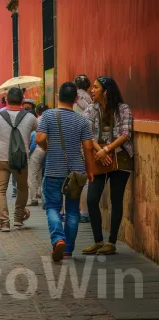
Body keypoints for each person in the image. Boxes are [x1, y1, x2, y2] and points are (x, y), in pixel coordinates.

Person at [36, 82, 95, 262]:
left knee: (53, 207)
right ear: (76, 99)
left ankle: (58, 239)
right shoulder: (82, 120)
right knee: (72, 211)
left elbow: (39, 138)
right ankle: (68, 249)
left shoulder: (47, 115)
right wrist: (90, 171)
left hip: (53, 169)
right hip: (75, 172)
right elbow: (88, 148)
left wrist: (47, 147)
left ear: (57, 97)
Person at [82, 76, 134, 256]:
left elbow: (126, 133)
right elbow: (87, 133)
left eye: (96, 87)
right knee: (91, 199)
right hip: (99, 157)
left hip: (120, 156)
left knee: (116, 199)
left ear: (106, 91)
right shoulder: (90, 109)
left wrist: (108, 149)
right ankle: (98, 241)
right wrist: (100, 152)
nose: (92, 90)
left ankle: (111, 242)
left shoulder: (123, 108)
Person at [0, 87, 37, 232]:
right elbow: (40, 135)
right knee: (22, 188)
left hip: (1, 159)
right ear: (22, 100)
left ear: (6, 100)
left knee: (0, 190)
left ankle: (4, 222)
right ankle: (18, 219)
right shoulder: (31, 117)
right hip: (21, 159)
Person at [74, 74, 93, 223]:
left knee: (71, 176)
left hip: (71, 141)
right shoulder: (90, 100)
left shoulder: (71, 98)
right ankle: (85, 212)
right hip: (86, 141)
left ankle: (68, 210)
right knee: (85, 177)